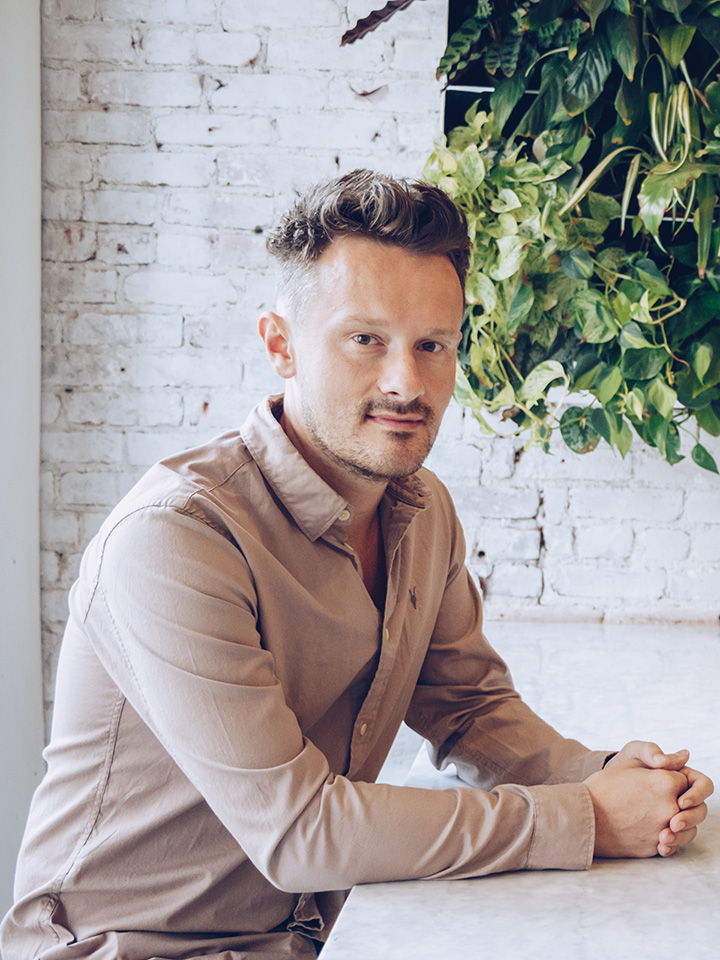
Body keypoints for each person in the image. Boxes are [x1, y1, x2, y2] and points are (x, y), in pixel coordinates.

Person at [2, 170, 712, 960]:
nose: (406, 382)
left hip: (312, 939)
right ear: (281, 344)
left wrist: (609, 773)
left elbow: (470, 711)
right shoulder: (176, 540)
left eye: (432, 345)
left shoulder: (421, 509)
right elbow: (300, 830)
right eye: (365, 339)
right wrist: (582, 817)